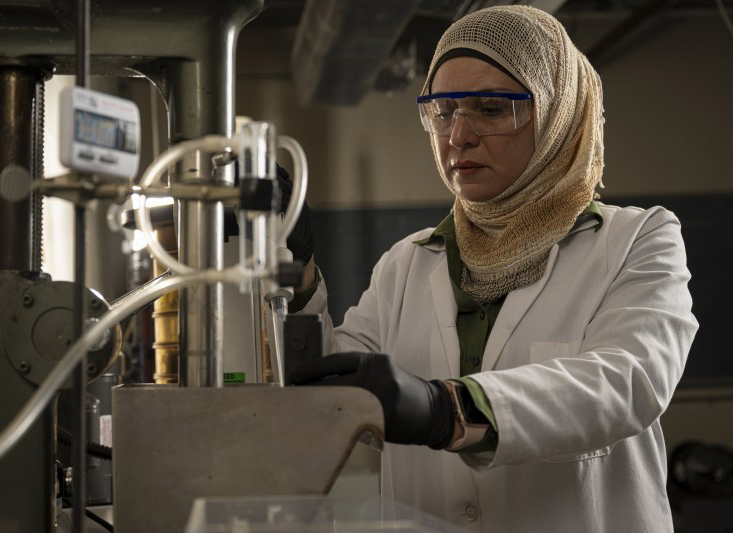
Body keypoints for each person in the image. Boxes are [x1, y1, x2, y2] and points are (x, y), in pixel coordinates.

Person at [284, 5, 698, 531]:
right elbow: (328, 387)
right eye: (443, 109)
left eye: (491, 108)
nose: (458, 136)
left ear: (555, 115)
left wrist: (450, 409)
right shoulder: (407, 263)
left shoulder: (637, 240)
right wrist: (292, 275)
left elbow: (628, 380)